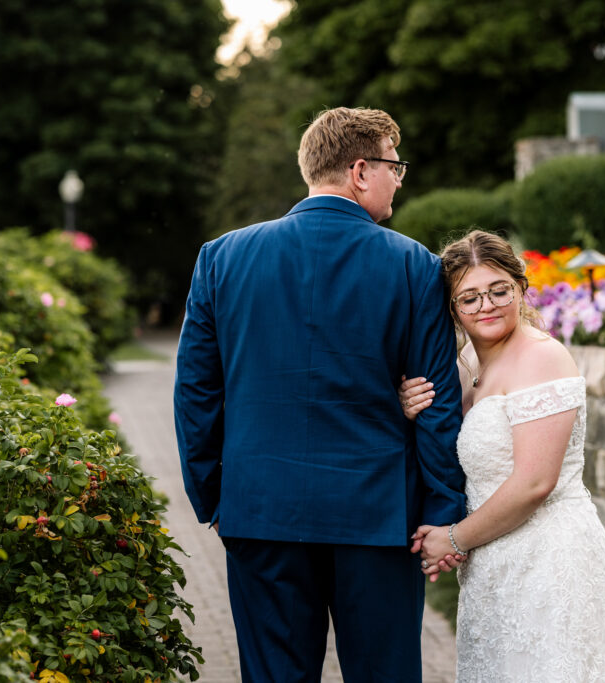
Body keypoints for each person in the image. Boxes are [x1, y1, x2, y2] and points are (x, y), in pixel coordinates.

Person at [174, 106, 467, 683]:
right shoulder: (414, 266)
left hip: (259, 510)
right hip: (380, 516)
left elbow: (196, 394)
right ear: (360, 171)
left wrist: (213, 495)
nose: (398, 180)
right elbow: (438, 402)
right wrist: (441, 513)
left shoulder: (221, 258)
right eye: (393, 166)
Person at [400, 230, 605, 682]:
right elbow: (445, 439)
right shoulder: (466, 365)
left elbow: (535, 482)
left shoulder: (541, 357)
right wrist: (410, 403)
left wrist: (453, 539)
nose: (487, 306)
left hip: (550, 563)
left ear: (520, 289)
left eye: (499, 290)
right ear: (453, 308)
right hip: (495, 568)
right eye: (469, 298)